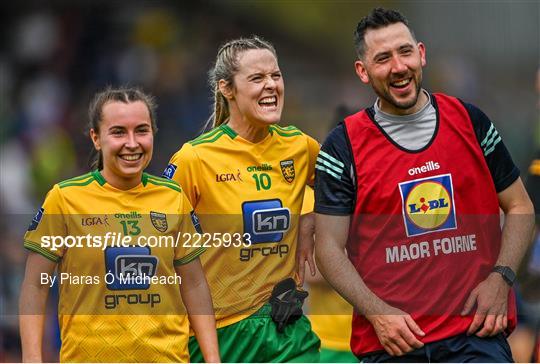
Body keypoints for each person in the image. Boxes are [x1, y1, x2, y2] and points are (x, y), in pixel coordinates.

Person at [314, 8, 535, 363]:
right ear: (363, 71)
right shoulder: (342, 146)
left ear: (421, 53)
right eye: (382, 58)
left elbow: (520, 206)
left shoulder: (470, 121)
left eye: (404, 52)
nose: (398, 66)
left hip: (475, 337)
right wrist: (376, 312)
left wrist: (501, 278)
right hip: (391, 344)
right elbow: (327, 247)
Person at [19, 87, 220, 363]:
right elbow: (35, 285)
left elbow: (195, 284)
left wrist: (213, 359)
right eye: (118, 132)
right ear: (96, 138)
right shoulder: (64, 199)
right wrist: (32, 358)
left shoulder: (173, 198)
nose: (132, 142)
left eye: (141, 130)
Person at [163, 36, 321, 362]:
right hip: (222, 334)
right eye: (257, 78)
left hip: (285, 327)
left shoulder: (301, 147)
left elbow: (345, 191)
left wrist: (308, 213)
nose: (271, 86)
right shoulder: (195, 159)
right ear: (227, 88)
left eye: (276, 76)